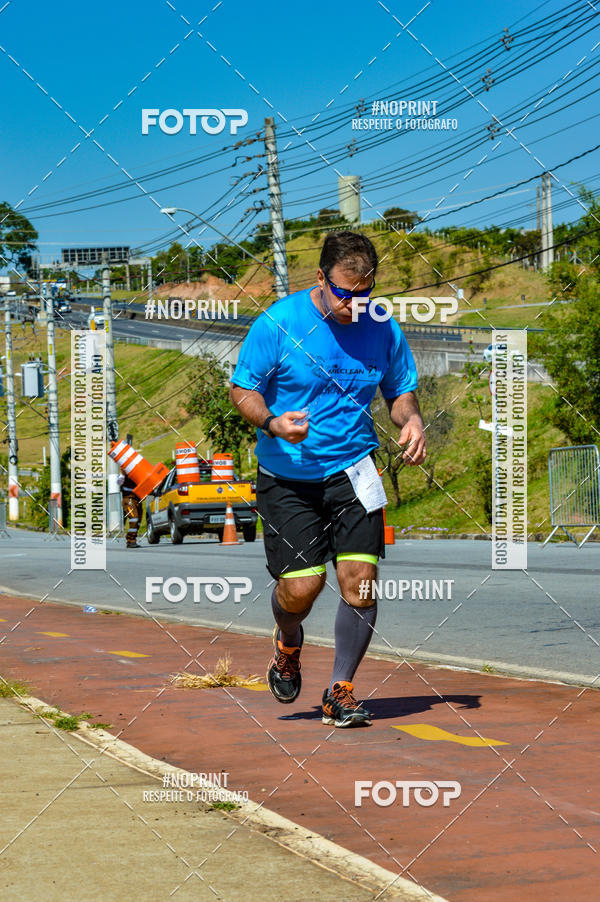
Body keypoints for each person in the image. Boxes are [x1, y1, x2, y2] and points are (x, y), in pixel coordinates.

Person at [229, 231, 426, 728]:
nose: (355, 305)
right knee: (301, 588)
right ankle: (288, 643)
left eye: (366, 294)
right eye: (344, 293)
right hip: (288, 477)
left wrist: (411, 420)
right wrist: (273, 422)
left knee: (360, 582)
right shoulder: (279, 322)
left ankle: (340, 689)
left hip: (354, 468)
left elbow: (399, 390)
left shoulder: (381, 326)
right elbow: (242, 390)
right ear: (320, 278)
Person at [118, 474, 142, 548]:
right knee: (134, 518)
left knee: (138, 521)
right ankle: (130, 540)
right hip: (128, 499)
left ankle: (132, 539)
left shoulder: (139, 473)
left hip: (138, 500)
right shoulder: (125, 473)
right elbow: (119, 482)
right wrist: (123, 477)